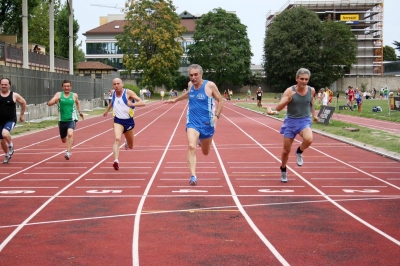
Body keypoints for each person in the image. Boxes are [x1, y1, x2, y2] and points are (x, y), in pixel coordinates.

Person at [165, 64, 223, 186]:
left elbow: (220, 100)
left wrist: (217, 116)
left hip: (207, 123)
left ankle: (202, 140)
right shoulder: (190, 85)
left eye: (196, 75)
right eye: (191, 75)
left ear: (201, 74)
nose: (193, 77)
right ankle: (193, 176)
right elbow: (188, 95)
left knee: (205, 152)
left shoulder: (210, 85)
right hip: (192, 121)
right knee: (191, 146)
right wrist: (175, 100)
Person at [275, 68, 319, 183]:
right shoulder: (289, 91)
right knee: (286, 151)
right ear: (297, 79)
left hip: (304, 120)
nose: (304, 81)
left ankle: (299, 151)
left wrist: (314, 115)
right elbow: (278, 108)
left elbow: (311, 103)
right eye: (302, 79)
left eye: (306, 79)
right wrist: (287, 100)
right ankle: (283, 169)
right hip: (290, 122)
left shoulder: (311, 90)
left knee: (309, 139)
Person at [103, 78, 145, 170]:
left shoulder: (128, 93)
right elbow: (112, 102)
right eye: (114, 84)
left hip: (128, 121)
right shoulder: (113, 93)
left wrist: (132, 104)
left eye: (118, 83)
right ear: (112, 86)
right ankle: (116, 160)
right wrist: (107, 110)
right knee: (117, 138)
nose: (116, 85)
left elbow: (142, 103)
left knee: (131, 146)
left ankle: (126, 141)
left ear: (122, 84)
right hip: (118, 121)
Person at [47, 80, 84, 160]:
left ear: (71, 87)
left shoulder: (74, 95)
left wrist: (80, 112)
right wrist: (54, 102)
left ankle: (68, 152)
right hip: (62, 120)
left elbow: (78, 103)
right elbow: (49, 103)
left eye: (68, 86)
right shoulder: (59, 94)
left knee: (70, 134)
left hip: (71, 119)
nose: (66, 88)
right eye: (65, 86)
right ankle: (70, 141)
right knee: (64, 140)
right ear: (62, 87)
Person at [0, 78, 26, 164]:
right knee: (2, 141)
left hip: (10, 119)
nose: (3, 86)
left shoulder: (14, 95)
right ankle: (7, 154)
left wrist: (22, 115)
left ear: (9, 85)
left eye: (5, 84)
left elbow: (23, 102)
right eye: (2, 84)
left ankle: (11, 145)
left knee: (5, 133)